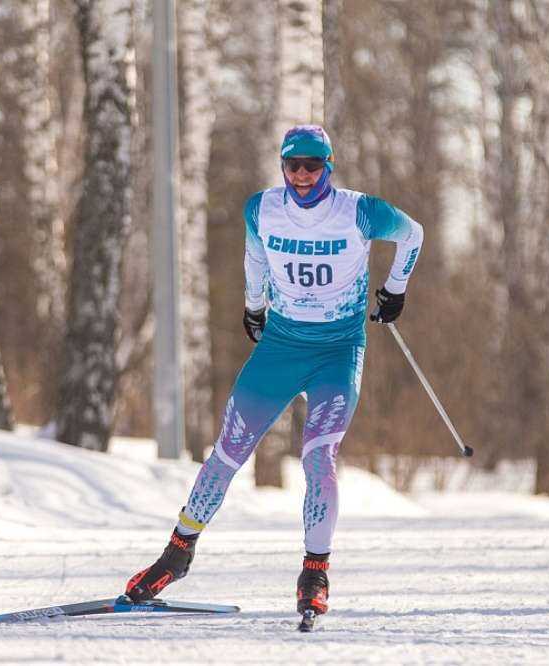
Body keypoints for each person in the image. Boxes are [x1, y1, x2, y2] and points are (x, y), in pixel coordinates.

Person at [124, 125, 423, 621]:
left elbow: (413, 234)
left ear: (328, 166)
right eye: (293, 165)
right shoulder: (261, 208)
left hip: (337, 351)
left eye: (312, 165)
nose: (302, 175)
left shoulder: (359, 210)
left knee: (318, 459)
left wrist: (396, 289)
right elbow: (255, 256)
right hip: (281, 347)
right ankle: (176, 554)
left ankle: (314, 574)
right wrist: (253, 306)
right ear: (283, 166)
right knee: (227, 453)